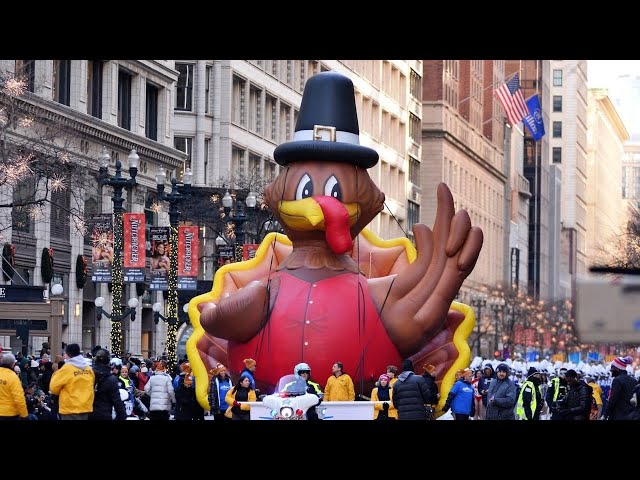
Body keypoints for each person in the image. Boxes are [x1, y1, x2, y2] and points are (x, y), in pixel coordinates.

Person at [48, 343, 95, 420]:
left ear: (68, 354)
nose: (64, 356)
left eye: (65, 354)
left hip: (70, 408)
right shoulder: (88, 369)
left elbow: (53, 388)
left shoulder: (66, 369)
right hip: (86, 407)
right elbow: (92, 383)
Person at [89, 348, 127, 420]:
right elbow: (116, 400)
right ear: (108, 361)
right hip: (104, 414)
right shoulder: (111, 379)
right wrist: (122, 415)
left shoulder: (88, 375)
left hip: (88, 413)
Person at [602, 356, 636, 420]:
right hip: (632, 414)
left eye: (612, 368)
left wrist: (605, 415)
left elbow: (613, 399)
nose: (611, 371)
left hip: (618, 414)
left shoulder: (617, 380)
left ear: (617, 368)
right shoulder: (633, 380)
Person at [0, 353, 28, 420]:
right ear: (12, 364)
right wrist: (24, 415)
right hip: (9, 413)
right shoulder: (13, 377)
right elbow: (19, 397)